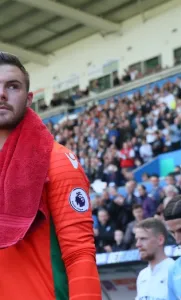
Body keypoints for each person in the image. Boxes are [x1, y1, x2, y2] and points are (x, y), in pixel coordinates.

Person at [0, 52, 101, 299]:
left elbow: (79, 253)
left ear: (29, 98)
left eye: (12, 86)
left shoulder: (56, 160)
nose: (1, 94)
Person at [135, 218, 174, 300]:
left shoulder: (176, 271)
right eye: (137, 239)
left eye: (143, 239)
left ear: (160, 240)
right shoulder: (142, 275)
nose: (138, 244)